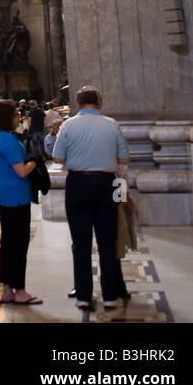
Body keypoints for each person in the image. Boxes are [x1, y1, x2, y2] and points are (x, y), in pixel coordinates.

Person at [52, 86, 130, 312]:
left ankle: (84, 296)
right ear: (99, 102)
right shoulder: (111, 124)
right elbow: (124, 159)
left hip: (78, 184)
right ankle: (109, 297)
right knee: (107, 241)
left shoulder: (68, 125)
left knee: (81, 242)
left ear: (77, 103)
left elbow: (57, 157)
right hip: (107, 183)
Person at [0, 99, 41, 304]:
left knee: (8, 243)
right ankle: (20, 291)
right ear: (7, 118)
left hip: (3, 193)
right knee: (18, 243)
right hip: (16, 195)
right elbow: (21, 171)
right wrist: (35, 161)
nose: (19, 117)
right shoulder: (8, 140)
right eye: (16, 114)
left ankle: (7, 290)